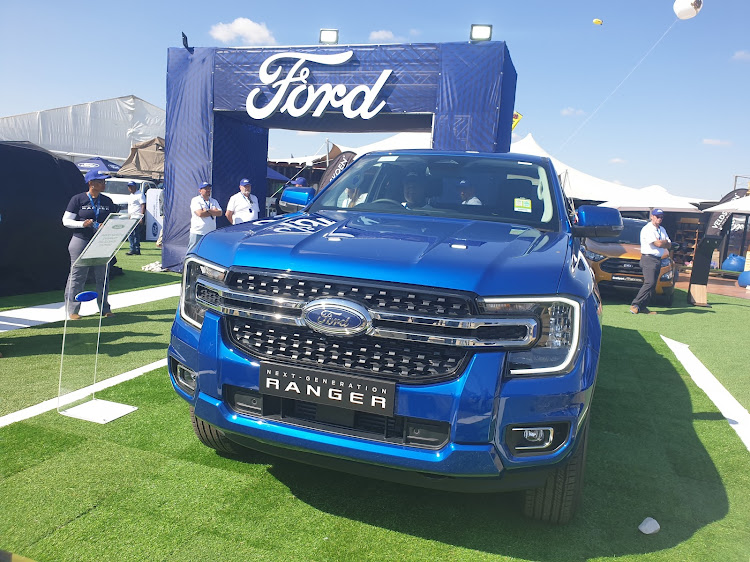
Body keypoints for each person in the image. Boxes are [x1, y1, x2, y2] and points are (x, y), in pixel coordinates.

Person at [62, 169, 116, 319]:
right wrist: (82, 224)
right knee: (77, 276)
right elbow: (66, 221)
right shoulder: (77, 199)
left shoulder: (107, 201)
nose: (104, 184)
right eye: (100, 181)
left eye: (104, 181)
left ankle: (104, 308)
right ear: (91, 183)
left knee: (102, 276)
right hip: (81, 239)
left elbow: (114, 219)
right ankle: (72, 310)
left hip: (102, 242)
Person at [630, 208, 671, 315]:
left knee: (652, 285)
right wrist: (663, 243)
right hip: (648, 259)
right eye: (657, 216)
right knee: (649, 283)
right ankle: (635, 304)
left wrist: (663, 242)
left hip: (657, 259)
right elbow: (657, 244)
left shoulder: (662, 229)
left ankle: (642, 307)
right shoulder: (647, 229)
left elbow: (669, 244)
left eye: (661, 217)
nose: (660, 219)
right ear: (652, 216)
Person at [189, 181, 222, 250]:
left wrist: (207, 210)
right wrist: (213, 211)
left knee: (208, 251)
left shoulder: (214, 201)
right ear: (200, 191)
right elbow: (200, 214)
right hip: (198, 231)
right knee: (193, 250)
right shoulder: (195, 200)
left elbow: (220, 213)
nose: (208, 190)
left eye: (209, 188)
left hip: (210, 232)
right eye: (205, 189)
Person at [126, 181, 146, 255]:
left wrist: (141, 216)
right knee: (132, 233)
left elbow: (143, 205)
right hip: (131, 217)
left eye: (131, 186)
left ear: (135, 187)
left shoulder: (140, 194)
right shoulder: (131, 195)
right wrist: (129, 215)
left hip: (137, 216)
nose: (130, 188)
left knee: (133, 233)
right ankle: (135, 249)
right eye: (129, 187)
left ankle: (134, 248)